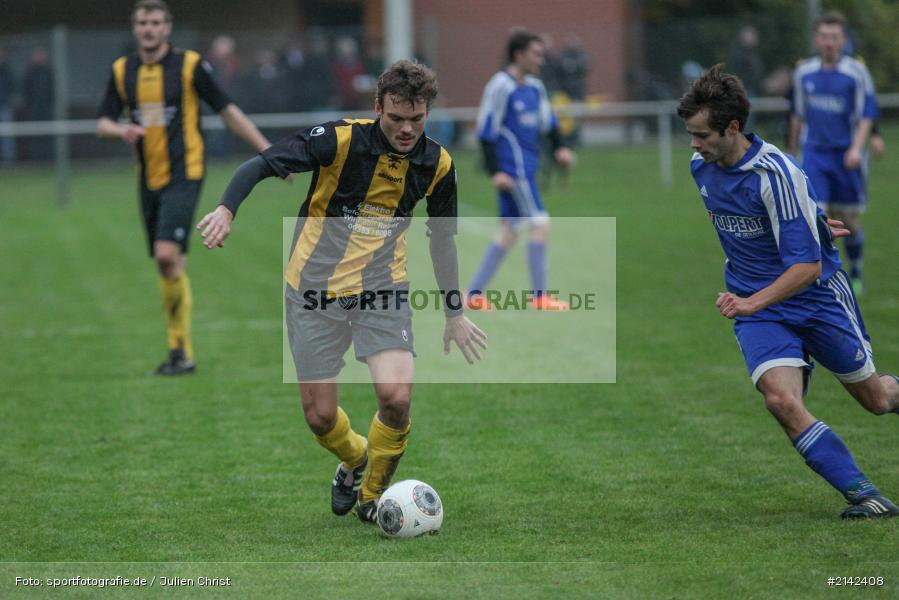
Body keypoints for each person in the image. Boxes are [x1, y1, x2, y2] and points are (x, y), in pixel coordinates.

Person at [196, 60, 487, 524]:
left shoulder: (438, 164)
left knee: (396, 397)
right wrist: (227, 209)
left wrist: (454, 311)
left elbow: (442, 239)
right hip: (313, 290)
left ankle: (373, 497)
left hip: (382, 288)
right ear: (377, 108)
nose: (407, 128)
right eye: (396, 118)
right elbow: (263, 162)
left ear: (427, 112)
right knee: (319, 417)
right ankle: (353, 460)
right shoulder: (338, 139)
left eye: (416, 118)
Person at [677, 64, 899, 519]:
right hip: (758, 307)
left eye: (701, 135)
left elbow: (807, 266)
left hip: (815, 297)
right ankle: (864, 494)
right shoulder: (702, 168)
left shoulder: (777, 174)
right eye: (691, 135)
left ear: (732, 127)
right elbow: (765, 222)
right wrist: (810, 224)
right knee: (780, 399)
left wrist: (751, 301)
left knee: (877, 400)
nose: (694, 145)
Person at [96, 0, 271, 375]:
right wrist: (121, 130)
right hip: (148, 179)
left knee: (164, 254)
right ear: (134, 28)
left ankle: (180, 350)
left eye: (156, 22)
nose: (149, 28)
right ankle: (181, 352)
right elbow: (102, 123)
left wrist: (268, 151)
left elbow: (227, 110)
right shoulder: (121, 70)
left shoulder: (189, 66)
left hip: (185, 173)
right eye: (143, 22)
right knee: (171, 265)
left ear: (167, 28)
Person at [466, 30, 574, 311]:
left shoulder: (536, 88)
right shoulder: (501, 86)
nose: (542, 58)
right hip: (514, 171)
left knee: (510, 231)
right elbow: (486, 129)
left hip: (529, 168)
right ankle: (540, 296)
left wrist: (559, 148)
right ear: (519, 55)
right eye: (536, 53)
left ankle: (473, 294)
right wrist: (495, 171)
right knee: (540, 224)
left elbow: (549, 123)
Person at [788, 11, 878, 296]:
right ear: (817, 39)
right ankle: (825, 275)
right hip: (815, 154)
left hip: (846, 157)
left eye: (835, 37)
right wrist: (791, 155)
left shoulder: (856, 72)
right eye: (824, 36)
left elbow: (867, 114)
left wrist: (856, 147)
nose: (829, 42)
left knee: (849, 221)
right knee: (818, 216)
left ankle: (857, 270)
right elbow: (797, 116)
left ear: (843, 41)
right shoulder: (803, 72)